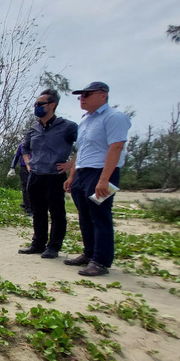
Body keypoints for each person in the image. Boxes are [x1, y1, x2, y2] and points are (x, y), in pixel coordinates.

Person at [64, 81, 131, 276]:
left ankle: (101, 260)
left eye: (86, 95)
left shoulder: (114, 117)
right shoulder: (85, 121)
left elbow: (116, 148)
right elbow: (81, 150)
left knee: (100, 216)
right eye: (80, 96)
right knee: (84, 215)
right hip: (82, 172)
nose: (81, 99)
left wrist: (104, 180)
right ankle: (89, 253)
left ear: (103, 95)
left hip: (102, 172)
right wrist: (72, 176)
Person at [18, 89, 78, 259]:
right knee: (38, 211)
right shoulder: (34, 128)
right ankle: (38, 243)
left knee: (57, 212)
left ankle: (54, 246)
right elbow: (25, 147)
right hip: (36, 175)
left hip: (55, 175)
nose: (36, 107)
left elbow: (85, 145)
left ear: (52, 105)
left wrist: (71, 164)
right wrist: (29, 163)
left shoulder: (68, 127)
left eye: (40, 104)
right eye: (35, 104)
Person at [8, 142, 32, 216]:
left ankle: (27, 204)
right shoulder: (22, 145)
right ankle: (28, 209)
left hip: (35, 167)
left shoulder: (39, 143)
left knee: (33, 187)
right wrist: (12, 168)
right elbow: (16, 156)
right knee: (26, 188)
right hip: (24, 168)